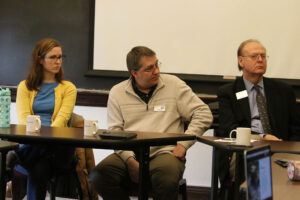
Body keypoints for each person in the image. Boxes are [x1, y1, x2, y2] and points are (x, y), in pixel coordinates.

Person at [88, 46, 213, 199]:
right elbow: (115, 132)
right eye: (149, 69)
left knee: (166, 179)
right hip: (130, 151)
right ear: (134, 73)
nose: (157, 71)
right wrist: (129, 160)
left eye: (157, 65)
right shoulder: (117, 92)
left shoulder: (173, 84)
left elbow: (203, 113)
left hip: (165, 152)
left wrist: (183, 144)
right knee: (98, 176)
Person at [217, 39, 300, 197]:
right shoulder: (228, 92)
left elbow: (295, 128)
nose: (260, 60)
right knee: (254, 162)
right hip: (245, 147)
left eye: (263, 56)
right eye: (255, 56)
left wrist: (291, 150)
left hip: (280, 146)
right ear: (241, 61)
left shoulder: (283, 91)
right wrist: (262, 138)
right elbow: (228, 128)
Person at [6, 38, 77, 199]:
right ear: (40, 59)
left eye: (60, 57)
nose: (58, 61)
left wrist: (43, 136)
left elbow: (61, 120)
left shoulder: (69, 88)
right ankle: (21, 155)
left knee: (44, 149)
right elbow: (24, 119)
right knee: (40, 168)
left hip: (59, 145)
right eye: (53, 57)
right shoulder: (25, 86)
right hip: (33, 144)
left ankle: (17, 157)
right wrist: (36, 136)